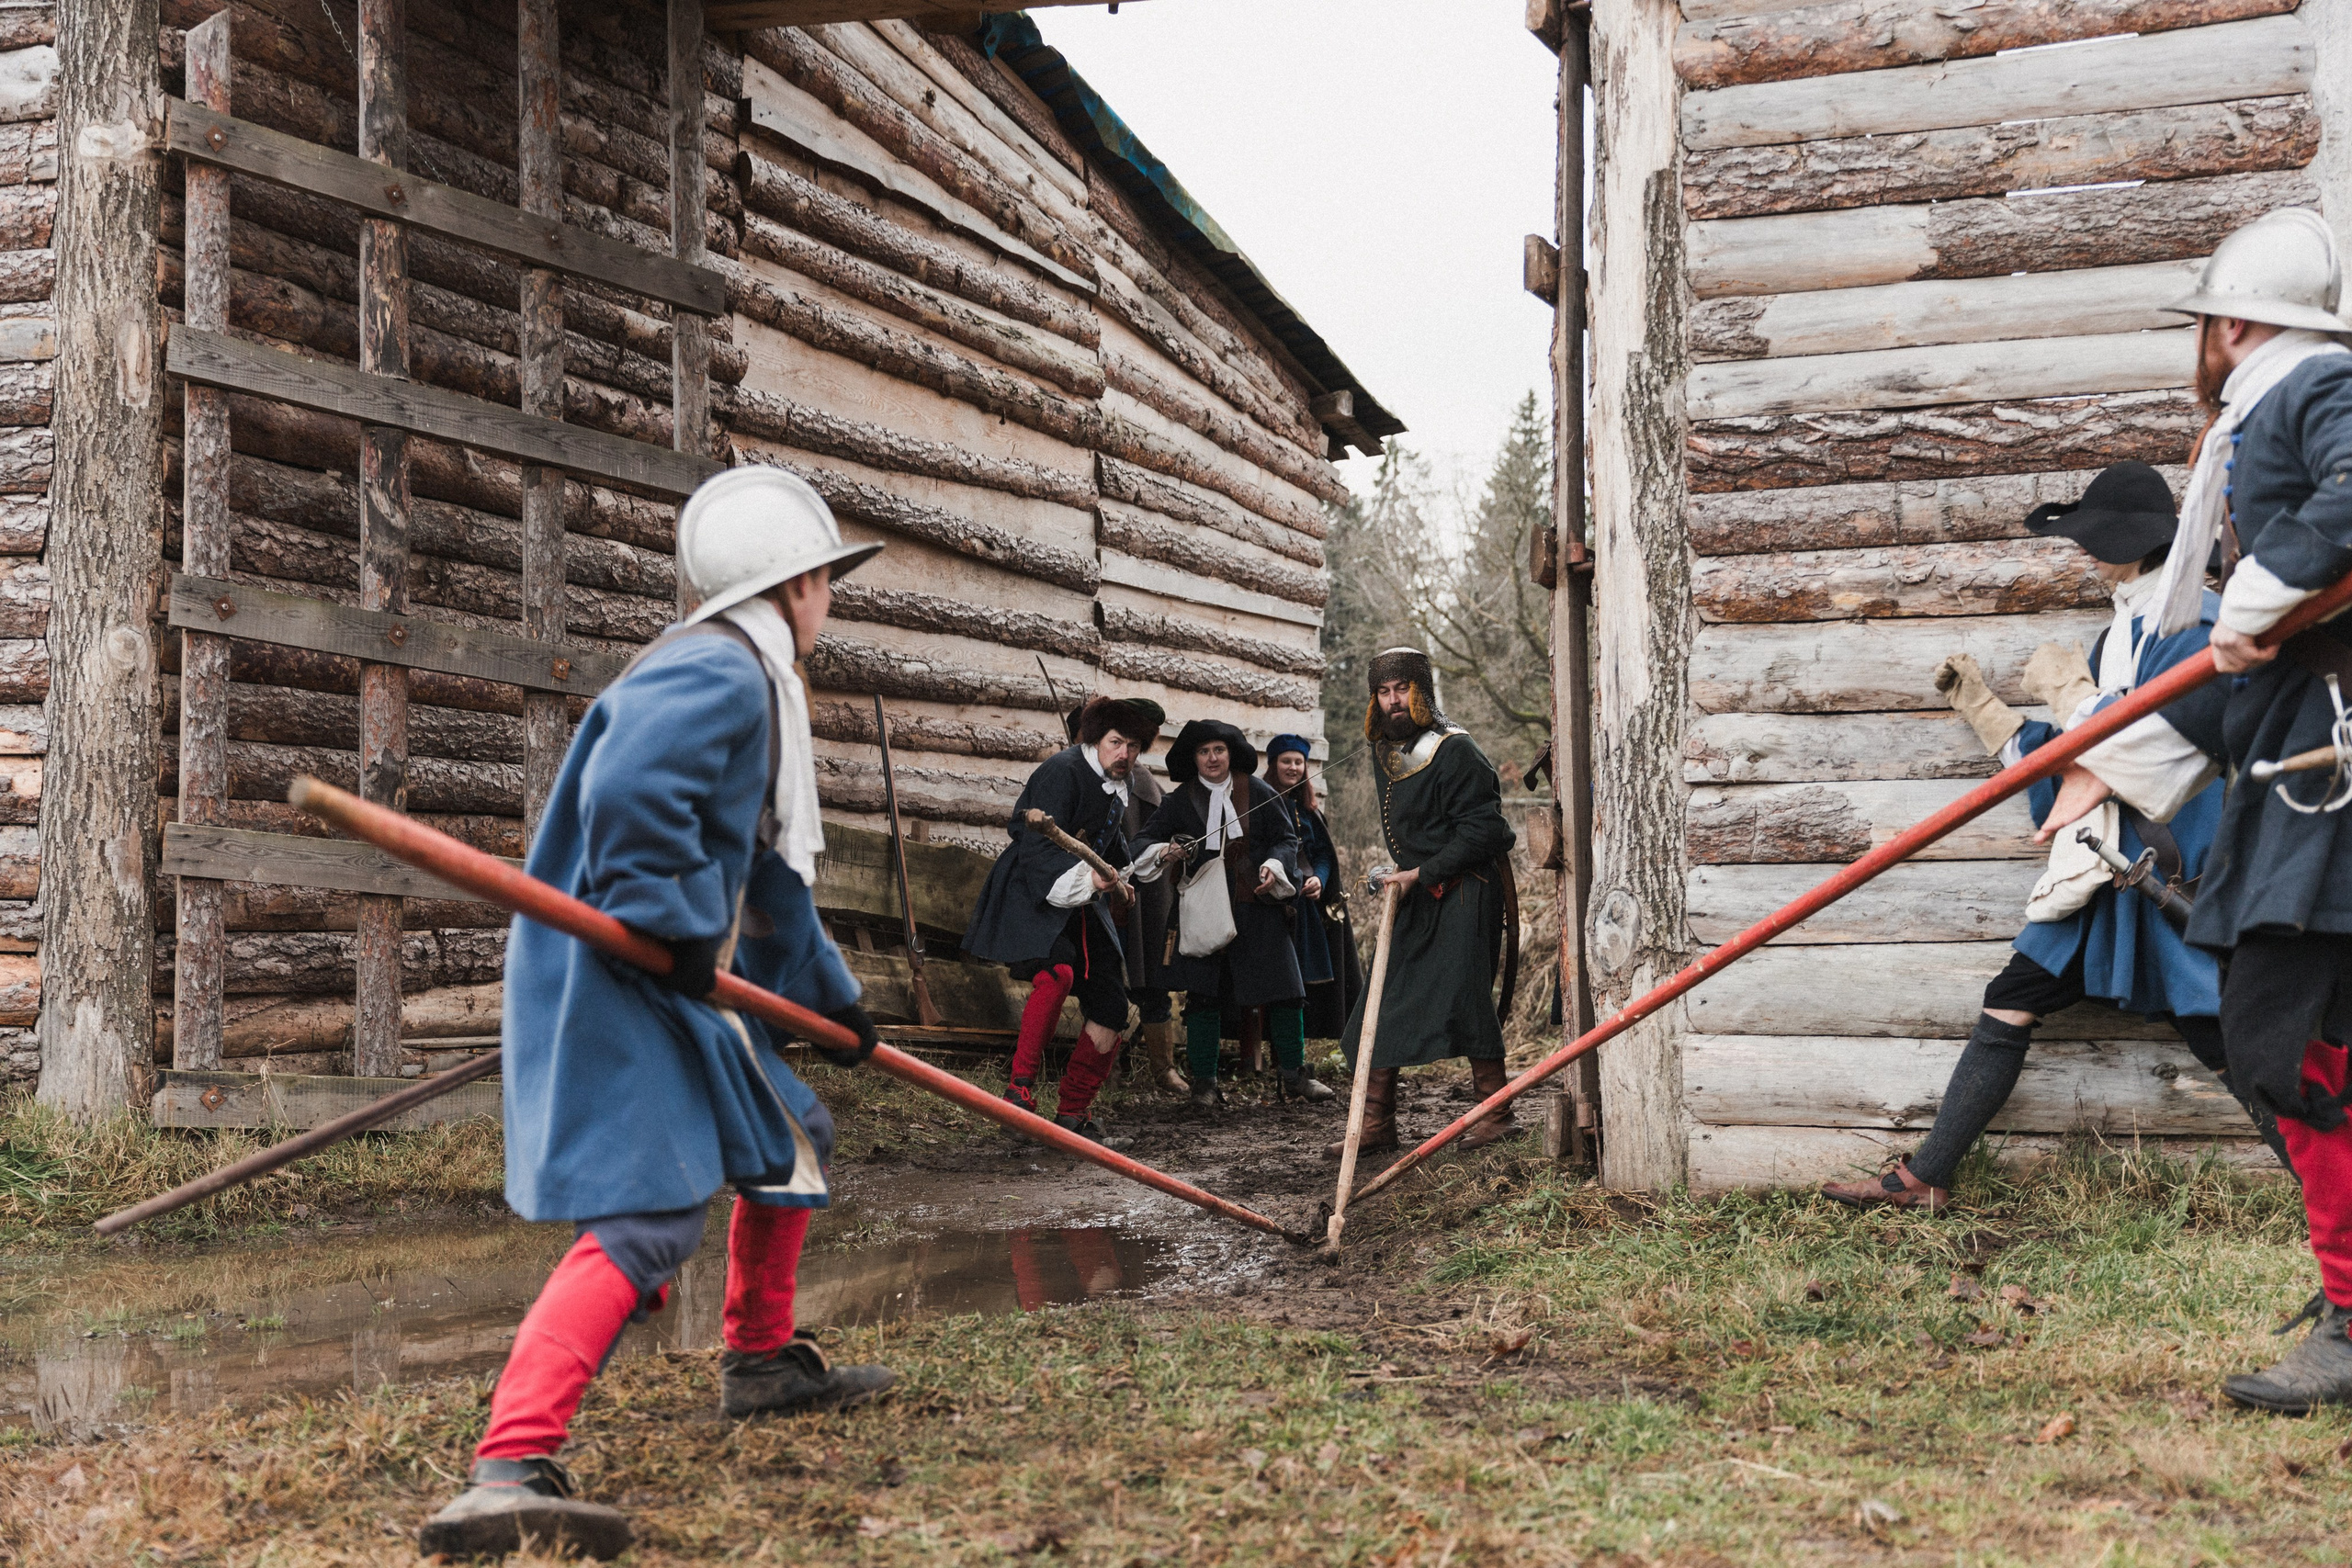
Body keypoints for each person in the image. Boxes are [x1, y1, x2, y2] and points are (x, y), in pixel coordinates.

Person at [418, 468, 893, 1560]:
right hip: (620, 973)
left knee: (792, 1134)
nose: (829, 603)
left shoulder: (752, 682)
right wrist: (672, 924)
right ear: (799, 582)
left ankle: (761, 1363)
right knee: (647, 1216)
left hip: (669, 965)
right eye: (827, 583)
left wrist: (833, 1006)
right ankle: (507, 1468)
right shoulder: (718, 672)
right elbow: (635, 799)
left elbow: (767, 878)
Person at [2035, 208, 2352, 1413]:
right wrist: (2105, 766)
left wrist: (2263, 591)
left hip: (2329, 794)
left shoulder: (2309, 384)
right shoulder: (2254, 426)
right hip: (2297, 774)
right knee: (2314, 1052)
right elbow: (2220, 685)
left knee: (2288, 1051)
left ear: (2230, 323)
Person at [1823, 461, 2288, 1215]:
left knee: (2227, 1043)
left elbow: (2146, 749)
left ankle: (2339, 1195)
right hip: (2107, 872)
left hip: (2176, 868)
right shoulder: (2117, 635)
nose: (2085, 549)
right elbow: (2078, 755)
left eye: (2098, 537)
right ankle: (1928, 1175)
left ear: (2141, 544)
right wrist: (1991, 714)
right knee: (2011, 998)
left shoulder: (2193, 626)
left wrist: (2077, 701)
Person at [1331, 649, 1517, 1156]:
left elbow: (1487, 831)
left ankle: (1496, 1114)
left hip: (1466, 890)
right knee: (1382, 998)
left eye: (1402, 690)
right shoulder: (1385, 750)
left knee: (1466, 996)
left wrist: (1423, 871)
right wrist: (1401, 870)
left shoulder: (1456, 750)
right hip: (1417, 888)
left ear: (1421, 691)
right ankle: (1375, 1125)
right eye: (1384, 692)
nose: (1393, 701)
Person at [965, 694, 1161, 1139]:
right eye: (1116, 743)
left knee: (1112, 1004)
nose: (1124, 755)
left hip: (1083, 903)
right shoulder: (1062, 770)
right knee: (1058, 974)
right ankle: (1018, 1096)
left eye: (1133, 747)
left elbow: (1109, 848)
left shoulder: (1119, 782)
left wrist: (1134, 869)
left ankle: (1073, 1113)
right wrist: (1090, 882)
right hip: (1032, 892)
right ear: (1096, 738)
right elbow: (1034, 848)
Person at [1127, 719, 1310, 1108]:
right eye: (1204, 752)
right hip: (1203, 911)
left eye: (1219, 751)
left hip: (1256, 908)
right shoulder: (1179, 800)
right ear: (1194, 758)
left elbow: (1286, 839)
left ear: (1231, 755)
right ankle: (1205, 1085)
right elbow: (1143, 841)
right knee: (1203, 996)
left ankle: (1295, 1077)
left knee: (1285, 992)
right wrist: (1165, 851)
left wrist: (1274, 867)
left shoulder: (1257, 791)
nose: (1212, 758)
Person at [1266, 734, 1360, 1077]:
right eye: (1286, 761)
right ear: (1273, 765)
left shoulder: (1308, 810)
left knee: (1301, 983)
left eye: (1298, 762)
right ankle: (1274, 1058)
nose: (1292, 767)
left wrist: (1319, 878)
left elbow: (1321, 853)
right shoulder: (1261, 803)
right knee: (1278, 982)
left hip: (1305, 910)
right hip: (1271, 907)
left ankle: (1292, 1060)